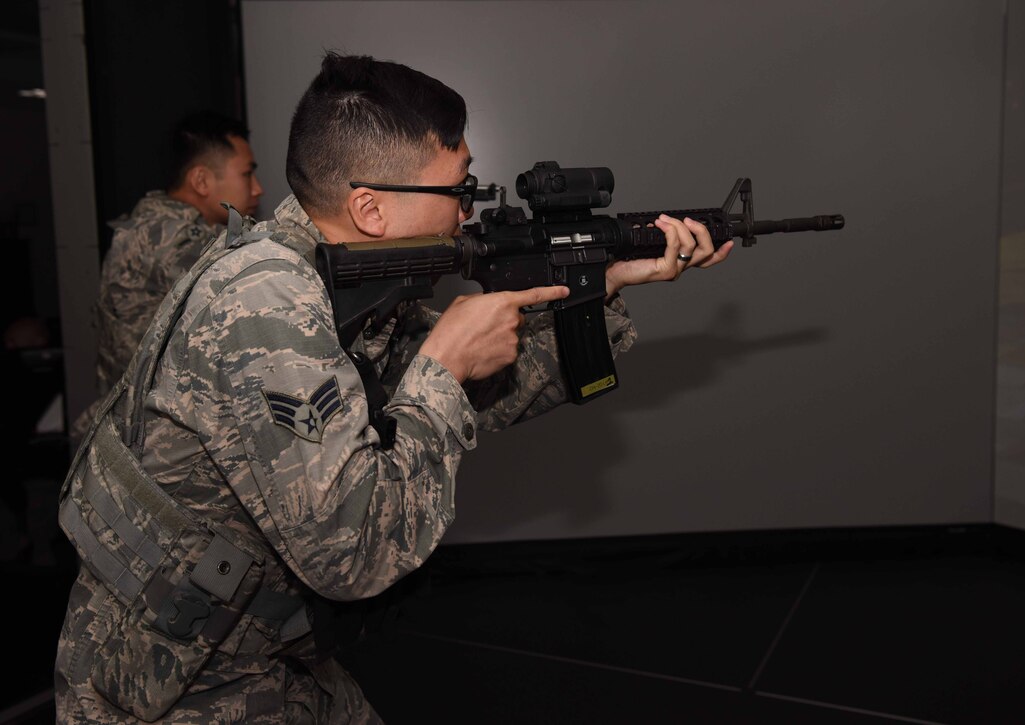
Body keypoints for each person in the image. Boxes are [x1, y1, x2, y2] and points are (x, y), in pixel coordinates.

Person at [55, 53, 732, 723]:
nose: (468, 214)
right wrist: (441, 366)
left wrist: (605, 281)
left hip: (257, 646)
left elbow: (491, 387)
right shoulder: (265, 303)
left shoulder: (336, 275)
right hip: (175, 684)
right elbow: (354, 552)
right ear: (370, 208)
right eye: (459, 192)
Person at [92, 110, 263, 395]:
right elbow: (256, 288)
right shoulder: (171, 238)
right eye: (247, 174)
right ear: (201, 181)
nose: (258, 189)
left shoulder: (154, 225)